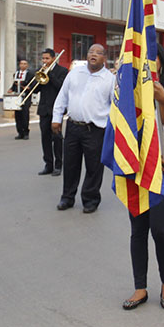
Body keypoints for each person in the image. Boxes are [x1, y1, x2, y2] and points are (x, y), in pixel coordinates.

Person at [122, 44, 164, 311]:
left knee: (160, 229)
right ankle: (140, 287)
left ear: (162, 62)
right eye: (143, 60)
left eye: (152, 59)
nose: (147, 64)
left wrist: (162, 99)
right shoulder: (132, 92)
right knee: (138, 231)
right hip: (137, 171)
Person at [52, 44, 115, 214]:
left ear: (104, 58)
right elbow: (62, 97)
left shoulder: (110, 79)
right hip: (73, 126)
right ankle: (67, 197)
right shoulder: (74, 73)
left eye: (98, 53)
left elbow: (114, 106)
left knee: (94, 167)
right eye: (91, 52)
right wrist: (56, 119)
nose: (93, 55)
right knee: (70, 164)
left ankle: (90, 199)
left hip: (95, 129)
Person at [36, 48, 67, 176]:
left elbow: (61, 87)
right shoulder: (41, 71)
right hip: (44, 109)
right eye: (43, 58)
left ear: (53, 58)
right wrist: (38, 78)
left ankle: (58, 165)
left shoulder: (62, 71)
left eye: (47, 58)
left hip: (56, 110)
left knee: (57, 138)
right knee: (45, 138)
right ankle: (48, 165)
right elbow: (36, 90)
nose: (44, 61)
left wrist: (50, 75)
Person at [8, 58, 34, 140]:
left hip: (26, 96)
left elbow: (32, 85)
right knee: (17, 115)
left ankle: (26, 132)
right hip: (17, 96)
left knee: (25, 114)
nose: (23, 65)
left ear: (27, 65)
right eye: (21, 63)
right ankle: (20, 132)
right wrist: (11, 89)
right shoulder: (16, 74)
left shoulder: (30, 74)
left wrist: (28, 87)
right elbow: (14, 84)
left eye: (24, 64)